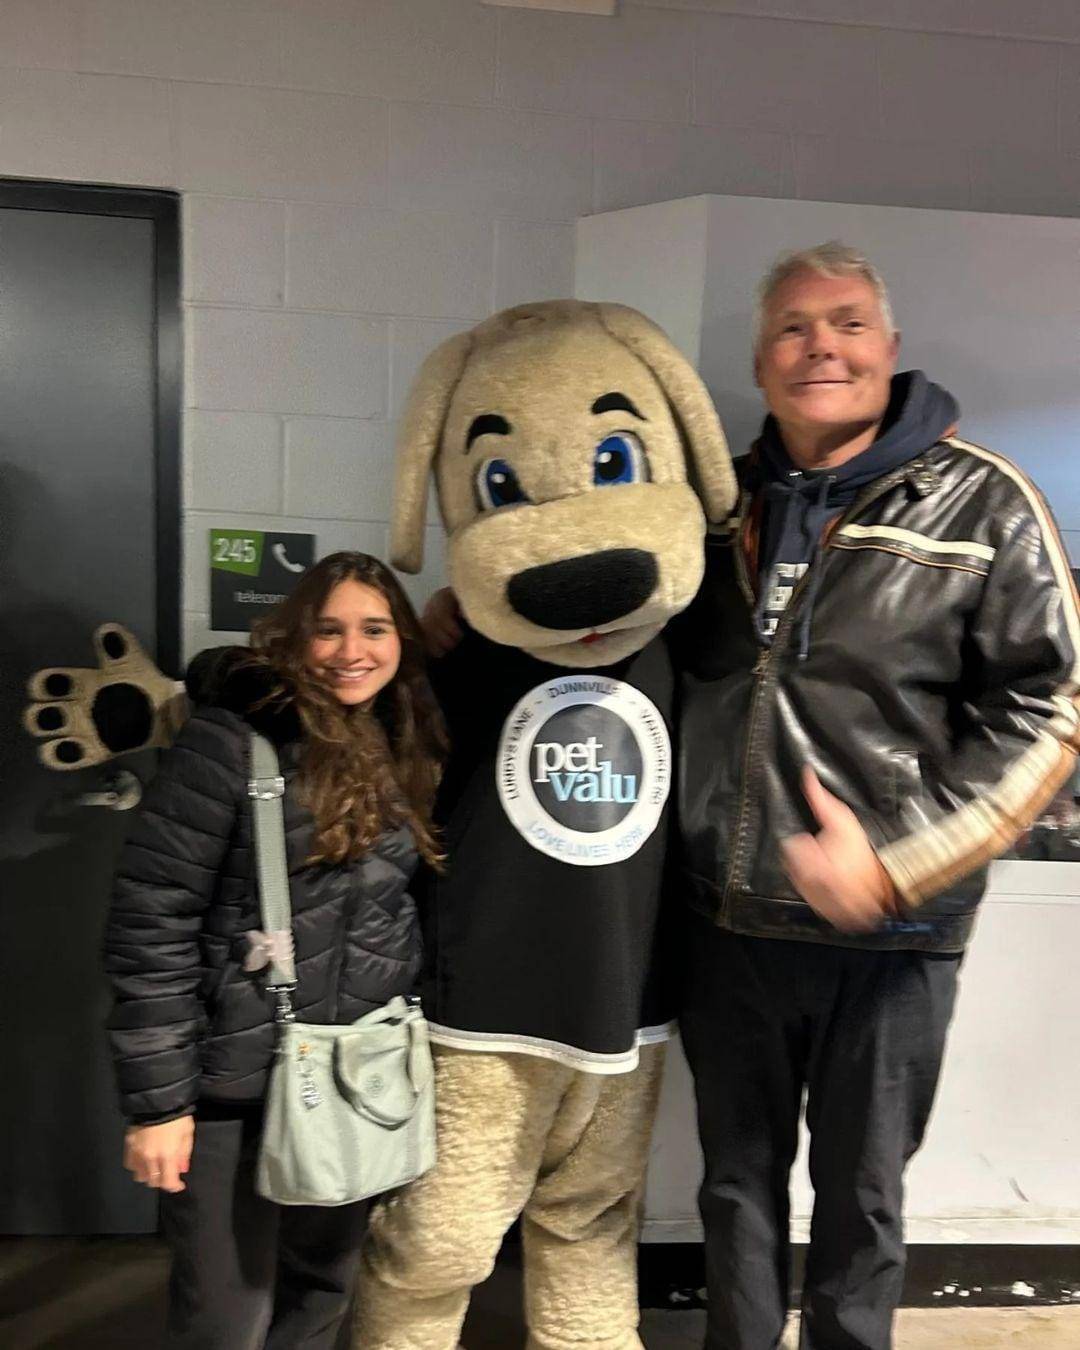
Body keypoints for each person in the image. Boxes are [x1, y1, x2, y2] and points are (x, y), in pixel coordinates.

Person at [671, 242, 1080, 1350]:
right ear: (760, 362)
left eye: (847, 323)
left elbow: (1051, 711)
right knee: (735, 1196)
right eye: (796, 328)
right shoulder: (711, 511)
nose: (822, 346)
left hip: (894, 938)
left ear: (889, 350)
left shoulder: (987, 504)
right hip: (730, 925)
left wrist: (897, 866)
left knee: (861, 1204)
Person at [103, 551, 446, 1350]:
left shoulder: (406, 742)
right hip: (236, 1091)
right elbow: (150, 921)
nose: (350, 651)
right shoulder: (231, 744)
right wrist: (159, 1107)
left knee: (322, 1292)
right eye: (327, 630)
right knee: (229, 1319)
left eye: (374, 628)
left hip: (353, 1077)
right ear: (296, 637)